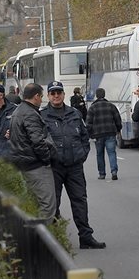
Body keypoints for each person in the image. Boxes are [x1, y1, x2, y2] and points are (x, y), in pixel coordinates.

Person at [41, 81, 106, 249]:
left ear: (63, 94)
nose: (56, 96)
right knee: (53, 204)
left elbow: (85, 137)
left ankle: (86, 237)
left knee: (80, 201)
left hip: (74, 167)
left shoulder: (74, 113)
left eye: (59, 92)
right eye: (53, 93)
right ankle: (55, 240)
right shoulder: (42, 116)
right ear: (48, 96)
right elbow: (38, 141)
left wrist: (82, 155)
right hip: (54, 167)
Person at [9, 83, 59, 222]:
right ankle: (44, 238)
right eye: (41, 96)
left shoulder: (18, 111)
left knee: (35, 203)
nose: (42, 99)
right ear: (36, 96)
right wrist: (47, 159)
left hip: (23, 162)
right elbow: (37, 141)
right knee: (47, 205)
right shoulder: (30, 113)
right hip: (35, 165)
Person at [86, 88, 122, 180]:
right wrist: (118, 129)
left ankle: (102, 174)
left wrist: (89, 134)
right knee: (112, 153)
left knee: (100, 154)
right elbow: (117, 119)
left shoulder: (92, 107)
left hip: (98, 134)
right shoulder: (111, 106)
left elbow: (89, 123)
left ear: (96, 96)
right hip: (110, 132)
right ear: (104, 95)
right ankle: (114, 172)